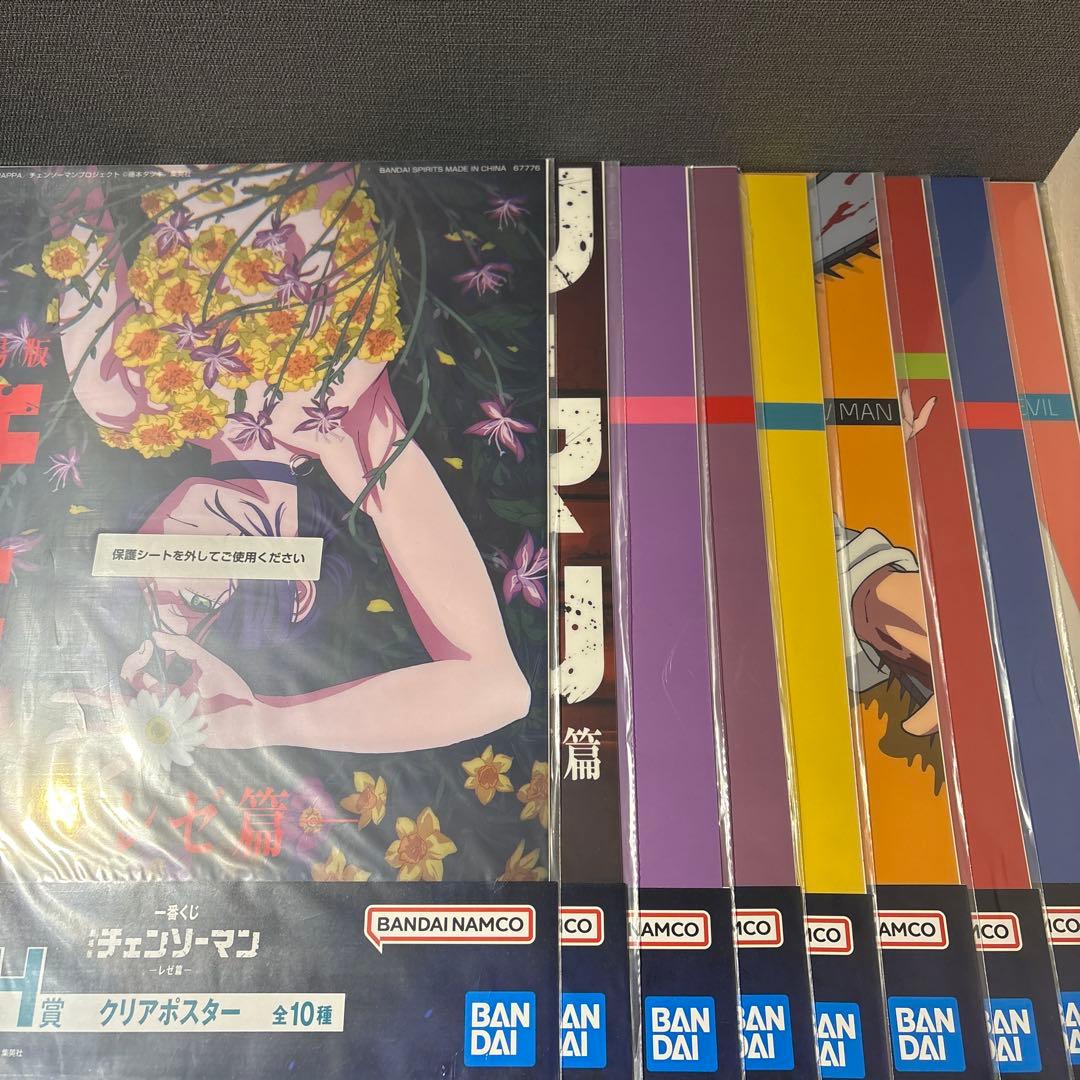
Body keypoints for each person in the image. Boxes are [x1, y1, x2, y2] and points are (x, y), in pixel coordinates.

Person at [48, 164, 531, 761]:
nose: (173, 556)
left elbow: (68, 184)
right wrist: (263, 722)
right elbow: (497, 689)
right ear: (299, 589)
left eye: (146, 566)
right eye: (196, 599)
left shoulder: (124, 396)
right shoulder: (353, 436)